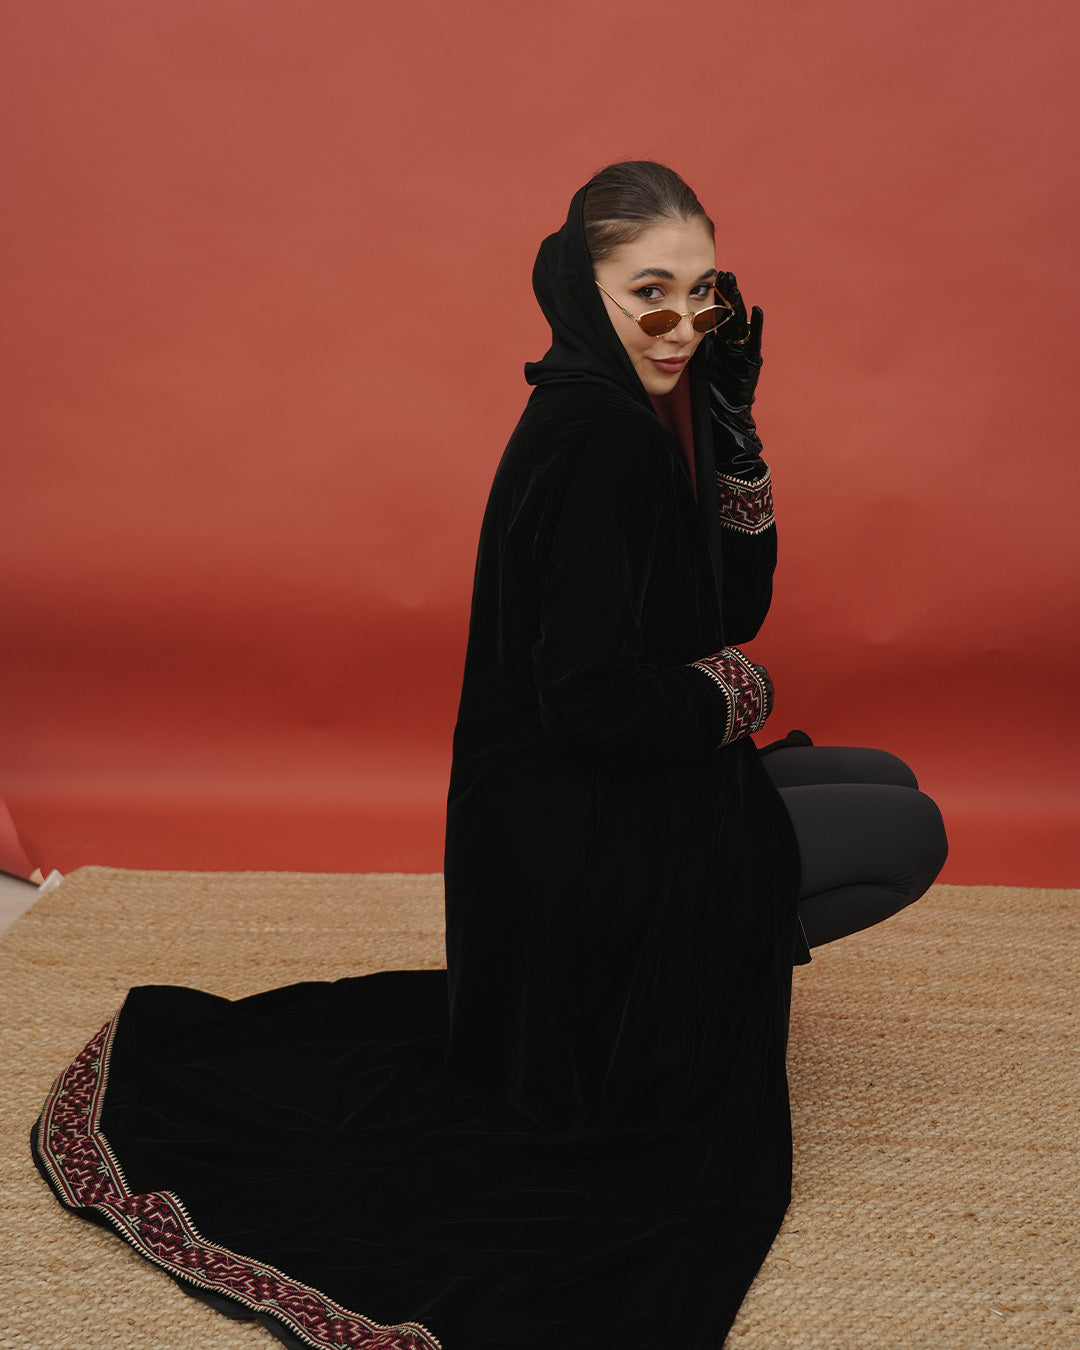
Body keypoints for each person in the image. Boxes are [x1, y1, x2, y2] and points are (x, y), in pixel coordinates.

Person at [32, 162, 947, 1350]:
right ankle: (671, 984)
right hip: (572, 831)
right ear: (583, 287)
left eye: (702, 291)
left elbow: (732, 606)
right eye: (649, 294)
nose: (682, 324)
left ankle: (689, 953)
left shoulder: (633, 411)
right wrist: (745, 694)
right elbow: (596, 709)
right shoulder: (598, 438)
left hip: (573, 803)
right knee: (908, 833)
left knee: (876, 781)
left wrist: (735, 428)